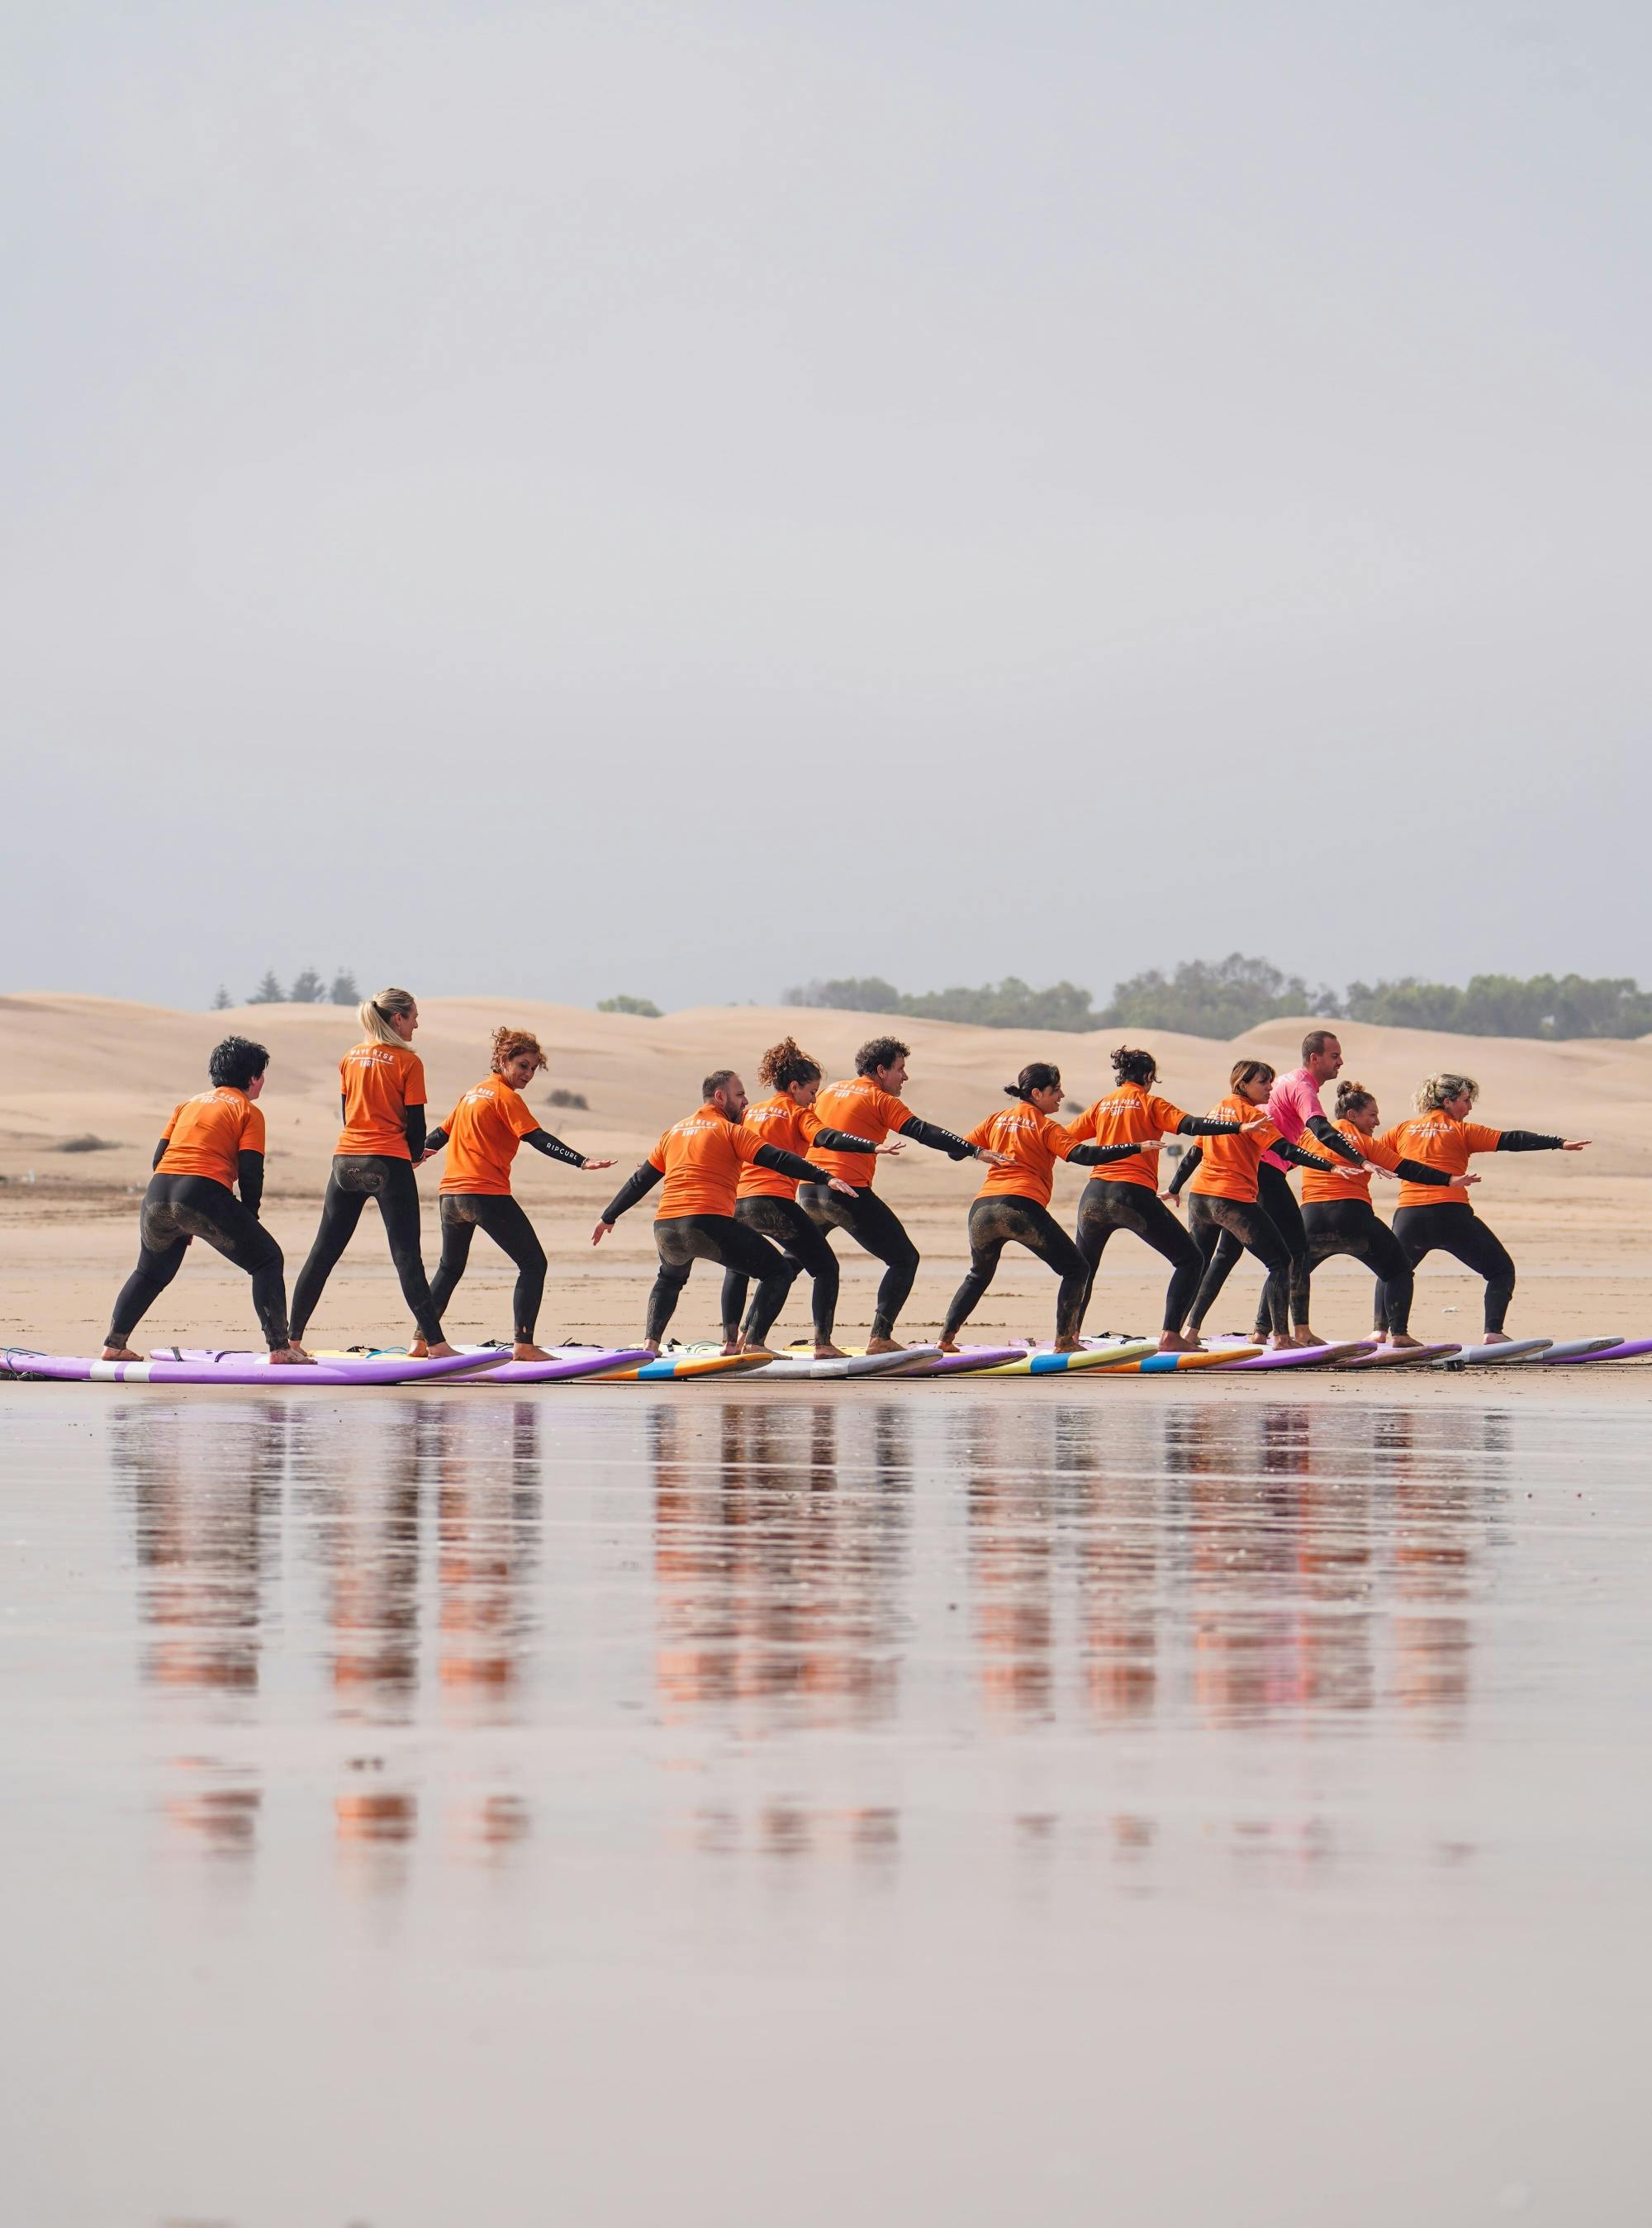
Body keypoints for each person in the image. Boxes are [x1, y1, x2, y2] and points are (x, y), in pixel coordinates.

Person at [593, 1071, 862, 1353]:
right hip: (706, 1223)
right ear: (720, 1097)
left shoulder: (673, 1133)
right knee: (778, 1271)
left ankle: (651, 1344)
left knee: (669, 1278)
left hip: (665, 1226)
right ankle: (753, 1344)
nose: (745, 1101)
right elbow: (778, 1159)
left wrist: (608, 1216)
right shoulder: (731, 1131)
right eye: (740, 1094)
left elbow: (641, 1180)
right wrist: (823, 1176)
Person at [409, 1028, 616, 1361]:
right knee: (533, 1263)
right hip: (484, 1193)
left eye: (533, 1068)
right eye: (522, 1066)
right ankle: (524, 1345)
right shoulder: (505, 1097)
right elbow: (536, 1137)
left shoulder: (471, 1094)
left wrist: (413, 1158)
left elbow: (439, 1136)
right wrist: (580, 1161)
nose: (528, 1074)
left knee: (450, 1268)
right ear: (503, 1060)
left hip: (450, 1196)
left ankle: (421, 1342)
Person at [102, 1036, 310, 1364]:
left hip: (158, 1193)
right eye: (262, 1075)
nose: (263, 1082)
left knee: (150, 1272)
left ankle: (114, 1345)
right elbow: (251, 1171)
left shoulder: (187, 1105)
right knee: (267, 1260)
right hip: (201, 1191)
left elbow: (158, 1159)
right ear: (253, 1077)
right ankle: (280, 1349)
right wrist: (248, 1217)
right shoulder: (247, 1111)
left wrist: (179, 1218)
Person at [799, 1036, 1011, 1352]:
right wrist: (974, 1150)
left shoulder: (829, 1091)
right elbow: (923, 1132)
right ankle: (880, 1338)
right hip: (846, 1192)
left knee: (793, 1261)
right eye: (900, 1069)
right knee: (904, 1259)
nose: (905, 1076)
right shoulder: (880, 1099)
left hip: (808, 1190)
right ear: (881, 1071)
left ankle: (753, 1337)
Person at [1166, 1028, 1367, 1345]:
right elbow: (1290, 1147)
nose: (1270, 1088)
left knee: (1220, 1257)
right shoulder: (1269, 1107)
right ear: (1243, 1084)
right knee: (1291, 1254)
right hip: (1254, 1183)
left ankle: (1186, 1331)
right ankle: (1289, 1333)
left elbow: (1195, 1152)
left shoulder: (1219, 1108)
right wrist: (1332, 1164)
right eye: (1263, 1082)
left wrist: (1174, 1187)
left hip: (1209, 1193)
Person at [938, 1063, 1158, 1351]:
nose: (1061, 1096)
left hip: (982, 1210)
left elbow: (954, 1151)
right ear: (1036, 1093)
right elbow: (1083, 1155)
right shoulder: (1046, 1126)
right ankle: (1065, 1342)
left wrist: (979, 1152)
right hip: (1020, 1207)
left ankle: (945, 1339)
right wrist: (1134, 1147)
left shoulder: (996, 1119)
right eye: (1056, 1090)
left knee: (978, 1274)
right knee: (1076, 1269)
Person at [1065, 1045, 1267, 1353]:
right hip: (1130, 1194)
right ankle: (1171, 1335)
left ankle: (1068, 1338)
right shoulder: (1150, 1103)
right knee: (1191, 1259)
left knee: (1084, 1268)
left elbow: (1065, 1138)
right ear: (1148, 1076)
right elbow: (1193, 1126)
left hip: (1093, 1195)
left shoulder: (1102, 1105)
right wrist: (1239, 1126)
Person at [289, 987, 456, 1356]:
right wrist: (415, 1155)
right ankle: (436, 1344)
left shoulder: (349, 1058)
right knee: (406, 1257)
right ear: (398, 1019)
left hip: (345, 1162)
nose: (416, 1025)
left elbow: (347, 1115)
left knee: (322, 1254)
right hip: (388, 1162)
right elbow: (416, 1125)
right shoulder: (408, 1062)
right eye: (414, 1017)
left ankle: (290, 1341)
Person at [1375, 1074, 1589, 1340]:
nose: (1469, 1108)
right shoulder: (1462, 1131)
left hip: (1410, 1217)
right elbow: (1512, 1140)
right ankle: (1493, 1333)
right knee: (1501, 1270)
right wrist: (1558, 1143)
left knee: (1392, 1271)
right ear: (1448, 1101)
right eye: (1465, 1101)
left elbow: (1366, 1154)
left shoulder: (1401, 1130)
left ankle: (1383, 1332)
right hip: (1451, 1215)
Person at [716, 1038, 888, 1358]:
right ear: (794, 1087)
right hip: (774, 1204)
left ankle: (732, 1342)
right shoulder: (796, 1112)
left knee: (738, 1268)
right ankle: (821, 1344)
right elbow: (827, 1137)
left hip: (738, 1204)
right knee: (825, 1268)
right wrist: (870, 1146)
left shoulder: (748, 1112)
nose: (814, 1100)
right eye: (811, 1092)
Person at [1299, 1080, 1475, 1347]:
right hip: (1353, 1216)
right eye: (1372, 1115)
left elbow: (1282, 1158)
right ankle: (1399, 1335)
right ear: (1352, 1115)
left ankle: (1266, 1331)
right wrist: (1448, 1179)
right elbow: (1407, 1168)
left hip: (1310, 1217)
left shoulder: (1308, 1137)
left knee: (1287, 1271)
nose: (1377, 1122)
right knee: (1398, 1270)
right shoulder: (1364, 1142)